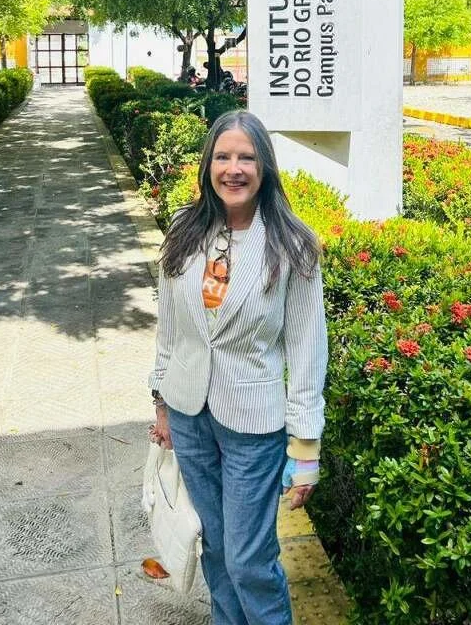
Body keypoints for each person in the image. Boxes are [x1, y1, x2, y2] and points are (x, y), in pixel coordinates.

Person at [149, 110, 328, 625]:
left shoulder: (292, 245)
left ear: (265, 166)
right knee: (217, 548)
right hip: (188, 414)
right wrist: (161, 402)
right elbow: (171, 329)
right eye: (223, 156)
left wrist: (306, 447)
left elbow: (307, 348)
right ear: (208, 165)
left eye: (246, 157)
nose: (234, 168)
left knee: (249, 559)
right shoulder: (185, 230)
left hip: (254, 423)